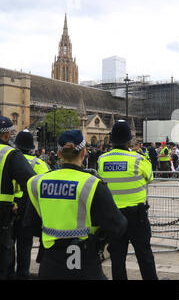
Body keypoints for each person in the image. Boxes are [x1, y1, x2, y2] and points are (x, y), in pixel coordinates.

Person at [24, 130, 127, 280]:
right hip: (83, 260)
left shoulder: (37, 183)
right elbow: (118, 226)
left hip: (50, 260)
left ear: (59, 154)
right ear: (83, 152)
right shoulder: (92, 184)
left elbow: (30, 224)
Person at [97, 120, 158, 280]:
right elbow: (150, 178)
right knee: (144, 256)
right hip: (136, 216)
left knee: (117, 258)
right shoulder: (138, 159)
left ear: (112, 140)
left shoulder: (102, 160)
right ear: (129, 140)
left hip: (114, 216)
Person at [8, 130, 50, 280]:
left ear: (16, 145)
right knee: (25, 243)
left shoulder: (9, 158)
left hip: (10, 205)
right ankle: (23, 273)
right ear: (32, 146)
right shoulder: (40, 164)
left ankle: (9, 273)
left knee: (9, 242)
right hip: (28, 207)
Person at [0, 120, 37, 280]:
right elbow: (31, 183)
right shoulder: (9, 154)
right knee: (4, 253)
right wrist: (21, 209)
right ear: (8, 134)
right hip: (3, 211)